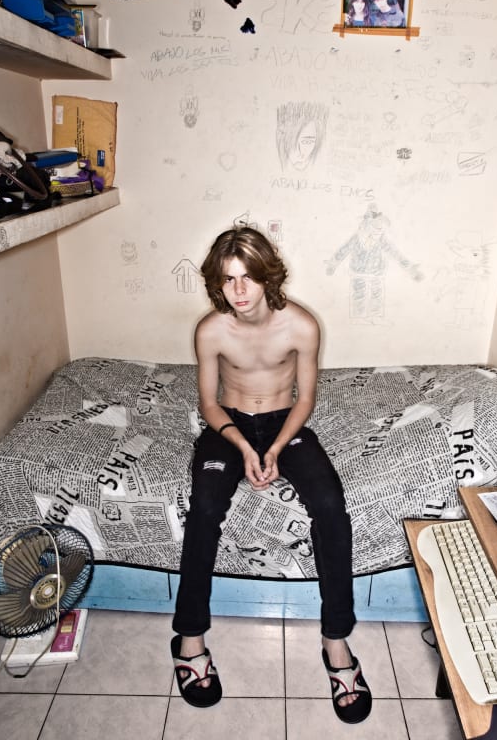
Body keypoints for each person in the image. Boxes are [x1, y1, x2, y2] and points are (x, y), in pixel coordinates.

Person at [171, 227, 372, 724]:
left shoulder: (301, 326)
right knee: (205, 510)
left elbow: (305, 398)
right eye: (228, 280)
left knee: (330, 506)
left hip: (286, 424)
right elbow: (207, 401)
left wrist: (277, 448)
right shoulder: (210, 330)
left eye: (248, 278)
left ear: (267, 277)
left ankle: (336, 640)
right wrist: (240, 445)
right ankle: (190, 636)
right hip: (230, 426)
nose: (239, 291)